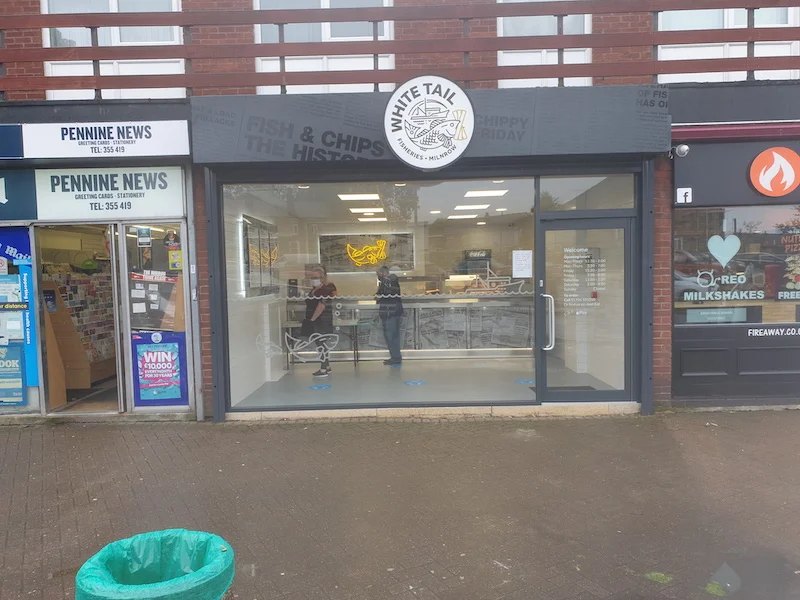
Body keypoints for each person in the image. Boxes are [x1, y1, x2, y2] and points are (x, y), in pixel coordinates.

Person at [304, 266, 337, 377]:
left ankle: (323, 369)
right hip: (315, 319)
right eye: (313, 277)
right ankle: (327, 366)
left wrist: (312, 319)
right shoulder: (314, 289)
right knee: (320, 343)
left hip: (321, 320)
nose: (314, 279)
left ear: (322, 277)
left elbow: (322, 305)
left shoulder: (326, 288)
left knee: (321, 343)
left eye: (317, 277)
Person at [376, 266, 403, 365]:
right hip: (391, 312)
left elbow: (384, 294)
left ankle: (395, 357)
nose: (378, 276)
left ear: (383, 273)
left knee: (391, 336)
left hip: (390, 312)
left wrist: (379, 295)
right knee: (392, 336)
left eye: (378, 274)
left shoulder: (389, 281)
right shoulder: (387, 282)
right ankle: (395, 356)